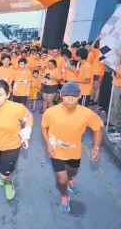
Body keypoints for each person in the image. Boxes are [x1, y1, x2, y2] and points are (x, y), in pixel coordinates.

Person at [41, 82, 103, 212]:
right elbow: (44, 128)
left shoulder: (87, 113)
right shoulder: (51, 112)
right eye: (66, 95)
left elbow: (98, 128)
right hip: (56, 149)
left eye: (73, 96)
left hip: (75, 150)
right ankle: (64, 195)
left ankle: (70, 178)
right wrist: (48, 145)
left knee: (72, 172)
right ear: (61, 96)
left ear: (79, 96)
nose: (70, 99)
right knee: (61, 178)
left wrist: (96, 147)